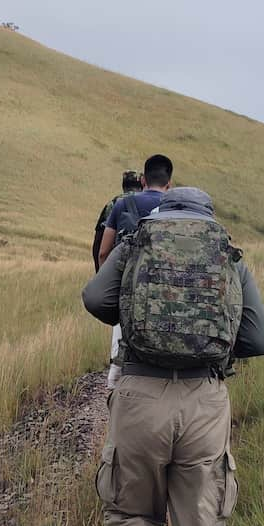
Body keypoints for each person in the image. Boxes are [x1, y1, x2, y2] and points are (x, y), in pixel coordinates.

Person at [81, 187, 264, 526]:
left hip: (140, 395)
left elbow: (95, 297)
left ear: (162, 210)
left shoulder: (139, 241)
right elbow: (259, 338)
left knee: (128, 512)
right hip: (205, 405)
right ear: (207, 216)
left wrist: (133, 310)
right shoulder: (225, 252)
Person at [98, 155, 174, 389]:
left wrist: (107, 280)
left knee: (120, 344)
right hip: (162, 288)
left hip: (126, 286)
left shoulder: (121, 204)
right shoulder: (173, 207)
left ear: (143, 180)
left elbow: (103, 251)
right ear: (169, 184)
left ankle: (116, 389)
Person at [93, 169, 144, 272]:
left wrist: (99, 272)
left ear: (123, 186)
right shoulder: (147, 201)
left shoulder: (113, 203)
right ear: (142, 184)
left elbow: (99, 239)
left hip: (116, 263)